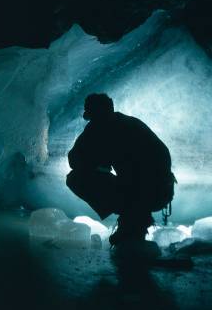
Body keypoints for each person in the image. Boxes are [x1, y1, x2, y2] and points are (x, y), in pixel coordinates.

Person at [66, 93, 175, 246]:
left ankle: (134, 221)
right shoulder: (119, 125)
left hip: (153, 191)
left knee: (77, 178)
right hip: (156, 191)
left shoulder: (118, 128)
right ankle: (132, 220)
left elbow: (76, 160)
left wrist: (97, 161)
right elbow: (75, 159)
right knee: (77, 177)